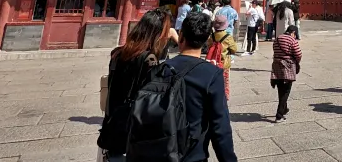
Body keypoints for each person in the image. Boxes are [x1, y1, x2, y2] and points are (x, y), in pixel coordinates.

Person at [163, 12, 238, 162]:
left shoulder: (160, 69)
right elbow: (220, 127)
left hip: (157, 151)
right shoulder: (212, 74)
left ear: (181, 35)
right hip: (192, 154)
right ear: (205, 40)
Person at [98, 10, 170, 161]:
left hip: (114, 125)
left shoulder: (118, 53)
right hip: (134, 130)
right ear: (157, 33)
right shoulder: (149, 59)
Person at [271, 24, 302, 122]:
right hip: (287, 67)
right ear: (293, 33)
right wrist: (296, 62)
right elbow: (298, 54)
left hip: (276, 65)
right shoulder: (292, 40)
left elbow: (274, 50)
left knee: (281, 89)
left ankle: (284, 109)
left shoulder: (278, 38)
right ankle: (279, 115)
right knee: (286, 91)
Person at [208, 13, 240, 100]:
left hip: (213, 62)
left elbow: (209, 46)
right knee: (225, 81)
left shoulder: (212, 36)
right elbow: (234, 49)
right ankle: (225, 97)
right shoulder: (228, 37)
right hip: (224, 63)